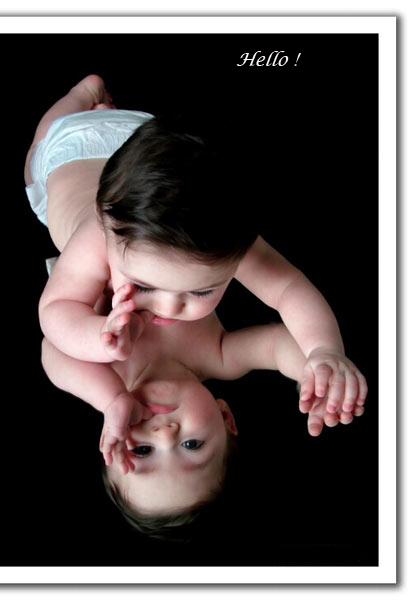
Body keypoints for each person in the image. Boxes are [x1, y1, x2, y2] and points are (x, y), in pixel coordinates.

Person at [25, 74, 367, 439]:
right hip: (96, 143)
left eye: (201, 291)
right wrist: (323, 353)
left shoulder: (222, 241)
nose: (169, 307)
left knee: (35, 169)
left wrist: (323, 353)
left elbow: (287, 290)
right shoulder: (101, 235)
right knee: (41, 144)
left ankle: (92, 103)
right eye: (143, 285)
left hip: (99, 161)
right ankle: (82, 92)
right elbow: (57, 306)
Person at [41, 285, 365, 536]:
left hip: (87, 249)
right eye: (192, 444)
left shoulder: (105, 373)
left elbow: (52, 350)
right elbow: (276, 345)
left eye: (142, 450)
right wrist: (316, 372)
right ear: (225, 417)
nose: (165, 435)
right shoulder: (218, 355)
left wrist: (110, 398)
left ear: (107, 437)